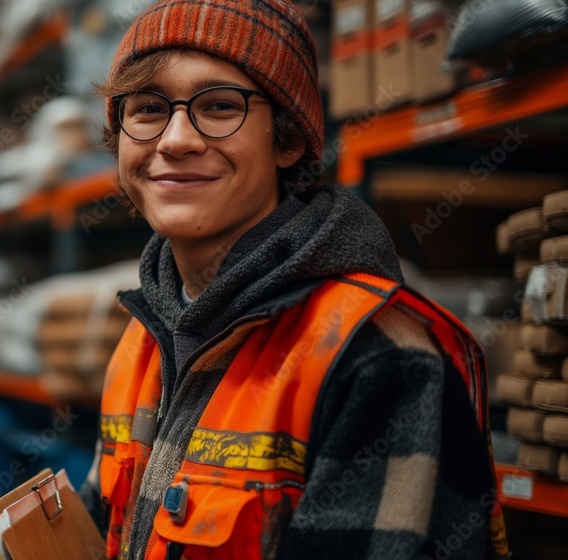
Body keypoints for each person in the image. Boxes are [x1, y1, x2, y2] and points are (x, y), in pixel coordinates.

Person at [78, 1, 510, 559]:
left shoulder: (378, 358)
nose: (176, 139)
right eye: (146, 109)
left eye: (219, 106)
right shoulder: (141, 343)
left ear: (286, 139)